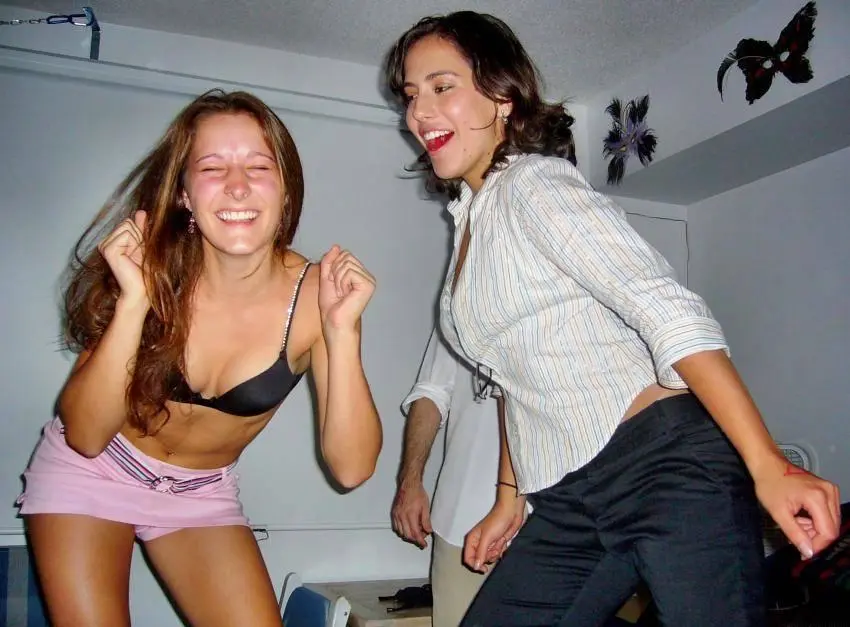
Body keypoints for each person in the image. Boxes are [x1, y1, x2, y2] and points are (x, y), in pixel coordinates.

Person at [384, 11, 841, 627]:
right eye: (411, 95)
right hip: (568, 496)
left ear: (502, 97)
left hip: (663, 464)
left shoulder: (534, 185)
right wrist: (508, 499)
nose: (419, 111)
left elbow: (666, 308)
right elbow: (513, 381)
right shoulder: (471, 225)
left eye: (442, 87)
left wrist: (767, 463)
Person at [16, 89, 382, 627]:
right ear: (185, 193)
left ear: (285, 188)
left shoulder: (318, 295)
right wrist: (134, 304)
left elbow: (351, 469)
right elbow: (86, 436)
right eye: (212, 167)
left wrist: (342, 332)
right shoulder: (150, 270)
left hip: (199, 496)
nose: (237, 185)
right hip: (93, 474)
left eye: (259, 166)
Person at [391, 328, 510, 627]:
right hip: (464, 522)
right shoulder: (457, 302)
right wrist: (410, 481)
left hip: (557, 523)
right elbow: (432, 390)